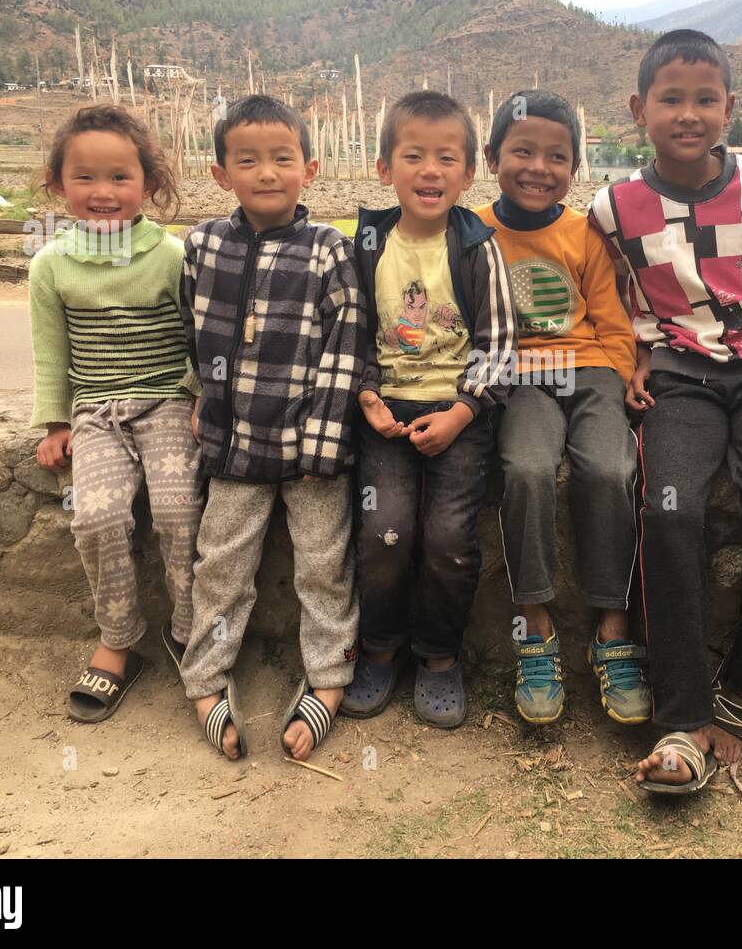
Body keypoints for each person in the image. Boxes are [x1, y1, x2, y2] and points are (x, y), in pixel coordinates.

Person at [588, 30, 742, 793]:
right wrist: (636, 356)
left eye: (706, 99)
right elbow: (611, 295)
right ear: (637, 109)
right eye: (670, 99)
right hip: (679, 373)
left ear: (731, 108)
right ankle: (680, 716)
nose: (689, 114)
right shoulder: (615, 207)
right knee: (672, 509)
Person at [179, 95, 364, 762]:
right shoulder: (203, 244)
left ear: (309, 168)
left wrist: (322, 442)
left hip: (310, 449)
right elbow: (190, 333)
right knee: (221, 564)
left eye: (282, 159)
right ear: (220, 171)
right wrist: (201, 395)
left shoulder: (328, 251)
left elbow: (346, 348)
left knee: (323, 565)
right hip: (231, 444)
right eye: (247, 160)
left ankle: (329, 677)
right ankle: (204, 678)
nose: (266, 173)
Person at [341, 90, 518, 729]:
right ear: (385, 167)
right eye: (413, 155)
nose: (430, 170)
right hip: (384, 413)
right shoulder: (366, 243)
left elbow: (500, 345)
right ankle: (381, 647)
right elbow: (350, 332)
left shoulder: (477, 247)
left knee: (448, 539)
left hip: (458, 414)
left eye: (447, 158)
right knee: (384, 532)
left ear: (470, 174)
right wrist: (365, 394)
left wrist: (464, 412)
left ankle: (440, 655)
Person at [476, 88, 647, 727]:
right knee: (525, 469)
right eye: (522, 151)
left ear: (574, 168)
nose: (538, 167)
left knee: (609, 470)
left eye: (557, 156)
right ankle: (536, 625)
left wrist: (623, 378)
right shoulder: (473, 233)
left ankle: (611, 624)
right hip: (519, 376)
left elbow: (612, 321)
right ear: (493, 155)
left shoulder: (583, 233)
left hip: (591, 370)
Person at [30, 104, 202, 723]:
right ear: (58, 185)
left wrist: (198, 397)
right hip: (96, 414)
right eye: (85, 177)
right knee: (97, 516)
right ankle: (119, 640)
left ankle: (187, 632)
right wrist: (55, 423)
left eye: (119, 177)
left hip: (167, 402)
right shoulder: (49, 265)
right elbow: (52, 354)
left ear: (149, 183)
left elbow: (197, 337)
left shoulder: (173, 256)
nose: (102, 192)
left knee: (180, 509)